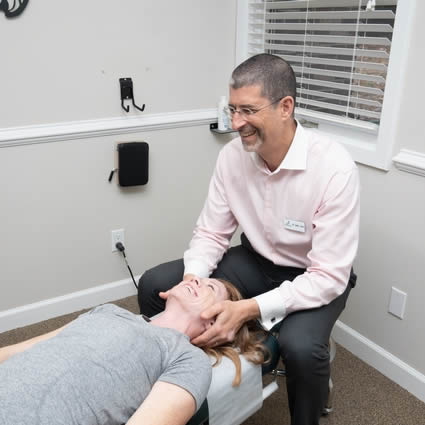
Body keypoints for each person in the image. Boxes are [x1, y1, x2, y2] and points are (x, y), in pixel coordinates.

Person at [138, 53, 360, 425]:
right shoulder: (231, 158)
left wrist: (247, 309)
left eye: (248, 110)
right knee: (156, 284)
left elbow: (328, 276)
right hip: (254, 261)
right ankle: (167, 387)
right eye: (232, 109)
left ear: (285, 106)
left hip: (316, 276)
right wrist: (192, 282)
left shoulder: (334, 168)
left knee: (301, 348)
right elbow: (212, 231)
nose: (236, 123)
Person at [0, 277, 265, 425]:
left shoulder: (187, 359)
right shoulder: (108, 310)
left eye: (210, 287)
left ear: (216, 320)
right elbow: (21, 349)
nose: (195, 279)